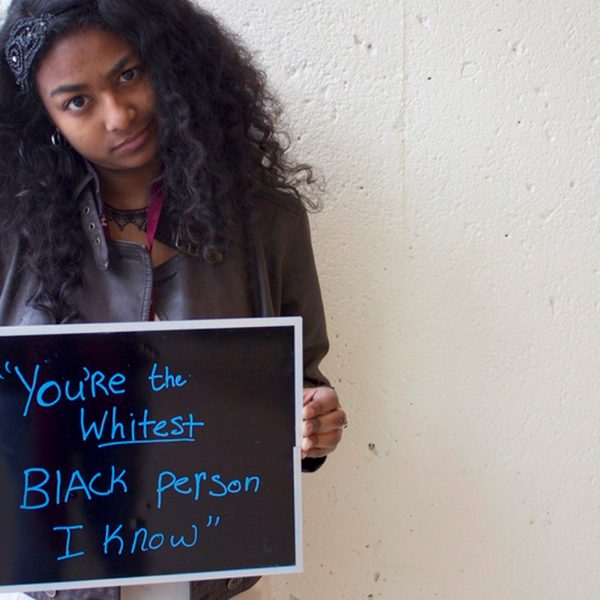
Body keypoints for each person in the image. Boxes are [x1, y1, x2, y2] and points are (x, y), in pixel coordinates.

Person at [0, 0, 347, 599]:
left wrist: (315, 426)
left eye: (129, 73)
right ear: (44, 117)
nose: (119, 114)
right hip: (59, 578)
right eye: (77, 100)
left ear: (172, 62)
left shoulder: (266, 222)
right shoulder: (10, 235)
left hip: (212, 570)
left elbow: (299, 386)